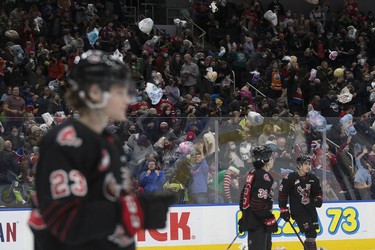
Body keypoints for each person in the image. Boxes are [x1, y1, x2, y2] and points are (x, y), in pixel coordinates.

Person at [28, 50, 174, 250]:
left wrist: (138, 209)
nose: (128, 98)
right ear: (95, 92)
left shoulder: (109, 141)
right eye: (120, 90)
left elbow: (107, 201)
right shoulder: (65, 142)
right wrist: (136, 211)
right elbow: (66, 221)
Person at [278, 155, 323, 250]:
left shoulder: (313, 178)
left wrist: (318, 198)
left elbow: (318, 192)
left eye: (309, 163)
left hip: (310, 209)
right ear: (299, 165)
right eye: (305, 164)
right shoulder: (290, 178)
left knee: (312, 234)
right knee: (310, 233)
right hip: (298, 210)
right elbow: (283, 194)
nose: (308, 166)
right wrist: (283, 209)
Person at [238, 145, 278, 250]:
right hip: (259, 223)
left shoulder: (252, 173)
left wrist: (245, 216)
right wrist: (269, 218)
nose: (272, 159)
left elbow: (244, 197)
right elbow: (257, 203)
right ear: (265, 159)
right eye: (270, 156)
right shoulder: (263, 176)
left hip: (254, 220)